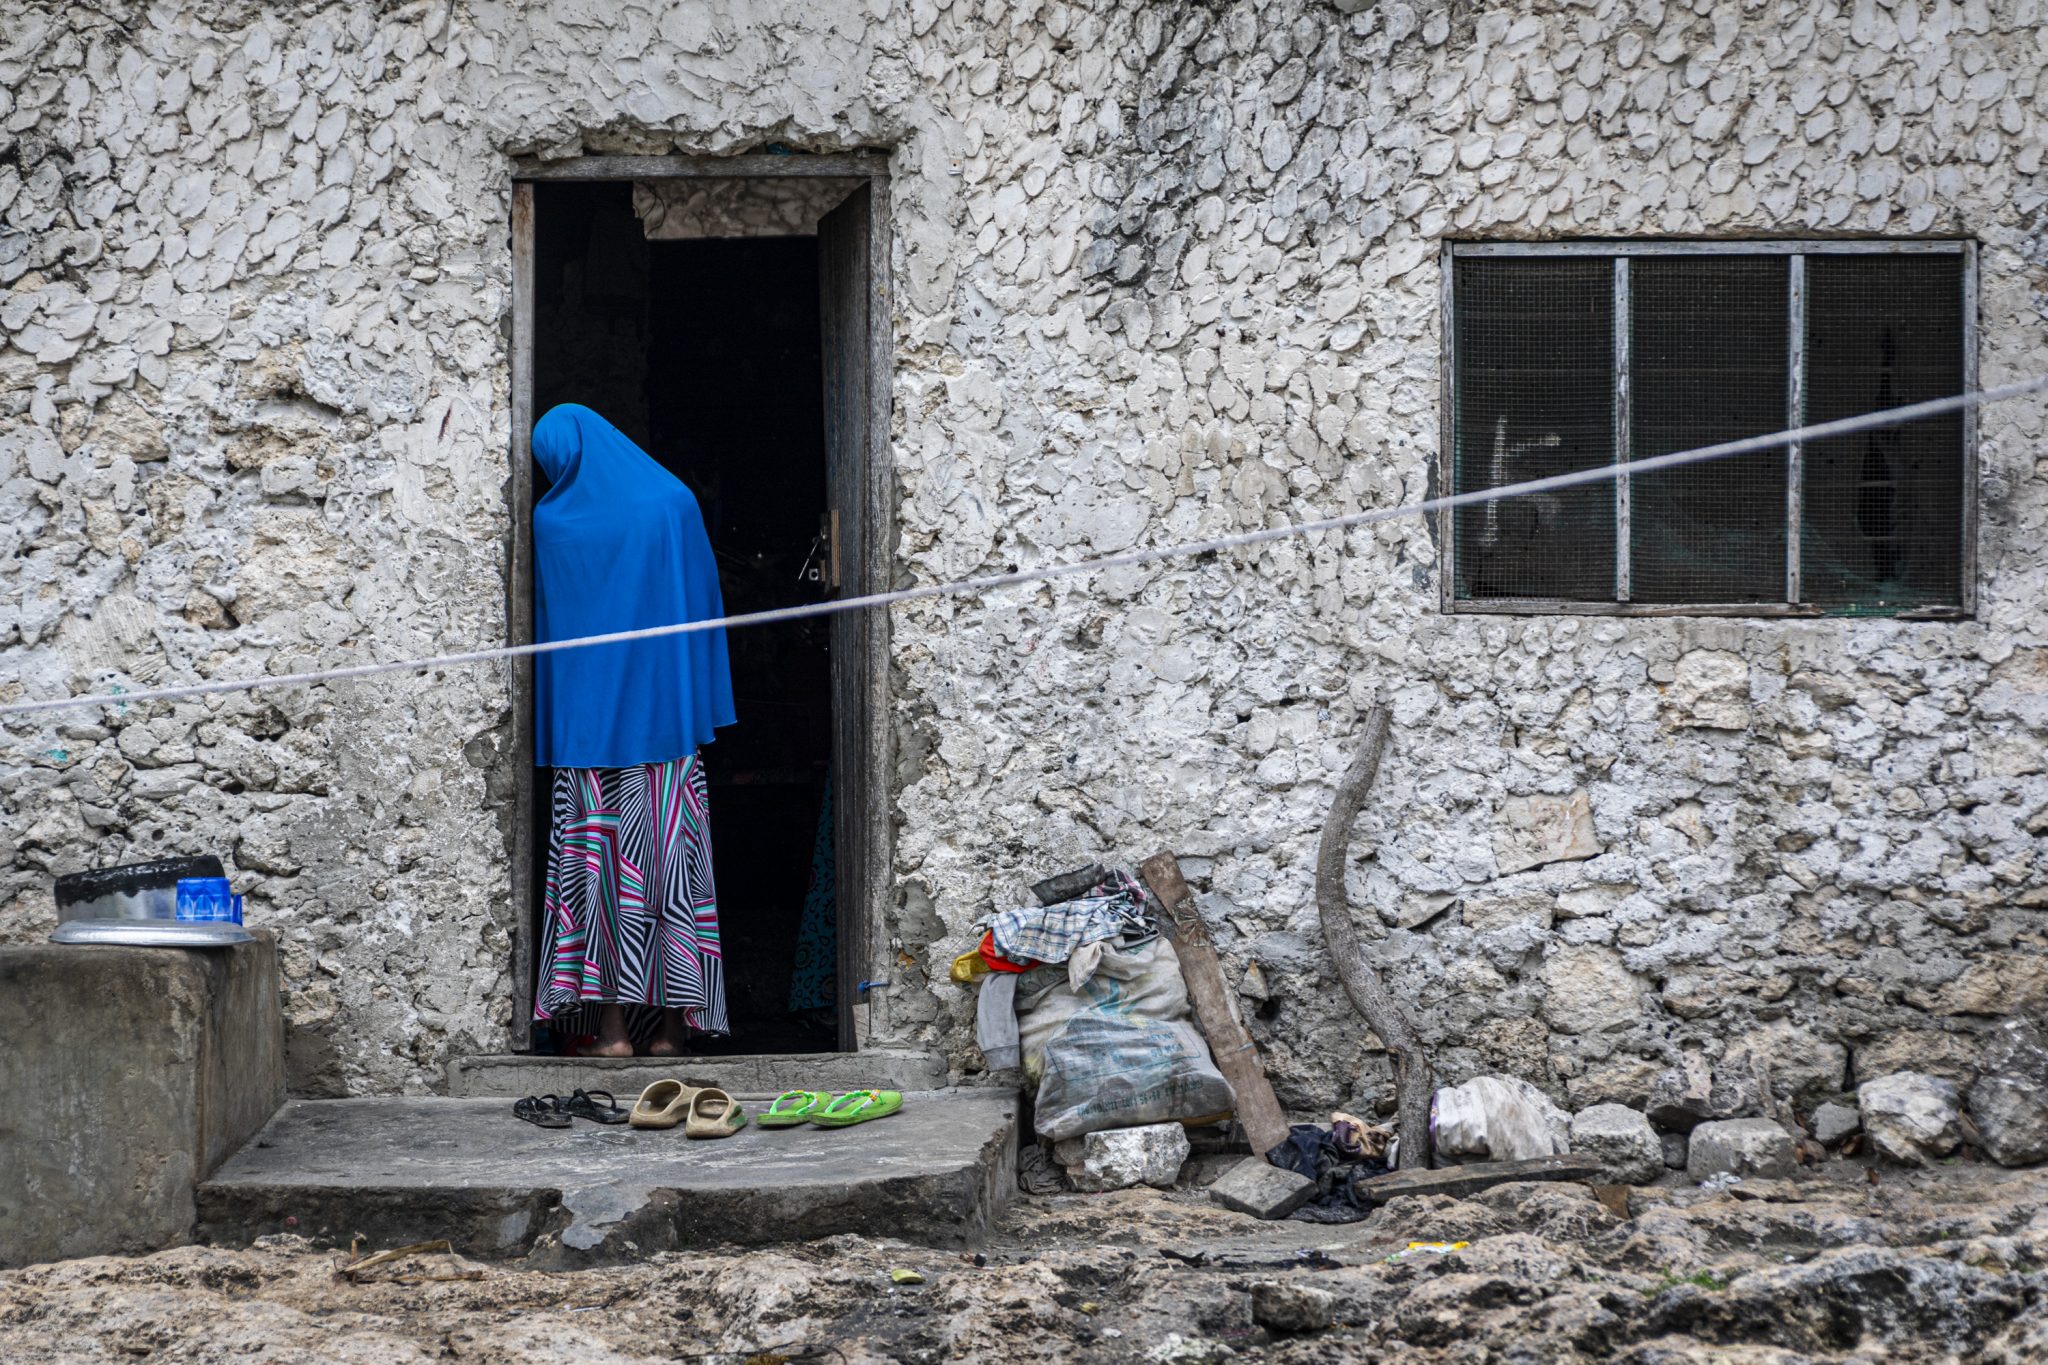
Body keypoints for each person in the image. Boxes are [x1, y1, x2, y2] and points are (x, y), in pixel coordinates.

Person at [528, 404, 737, 1057]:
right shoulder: (672, 505)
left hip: (588, 737)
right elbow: (704, 605)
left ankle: (613, 1033)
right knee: (672, 874)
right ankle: (672, 1031)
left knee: (598, 881)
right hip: (665, 727)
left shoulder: (551, 523)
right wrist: (697, 696)